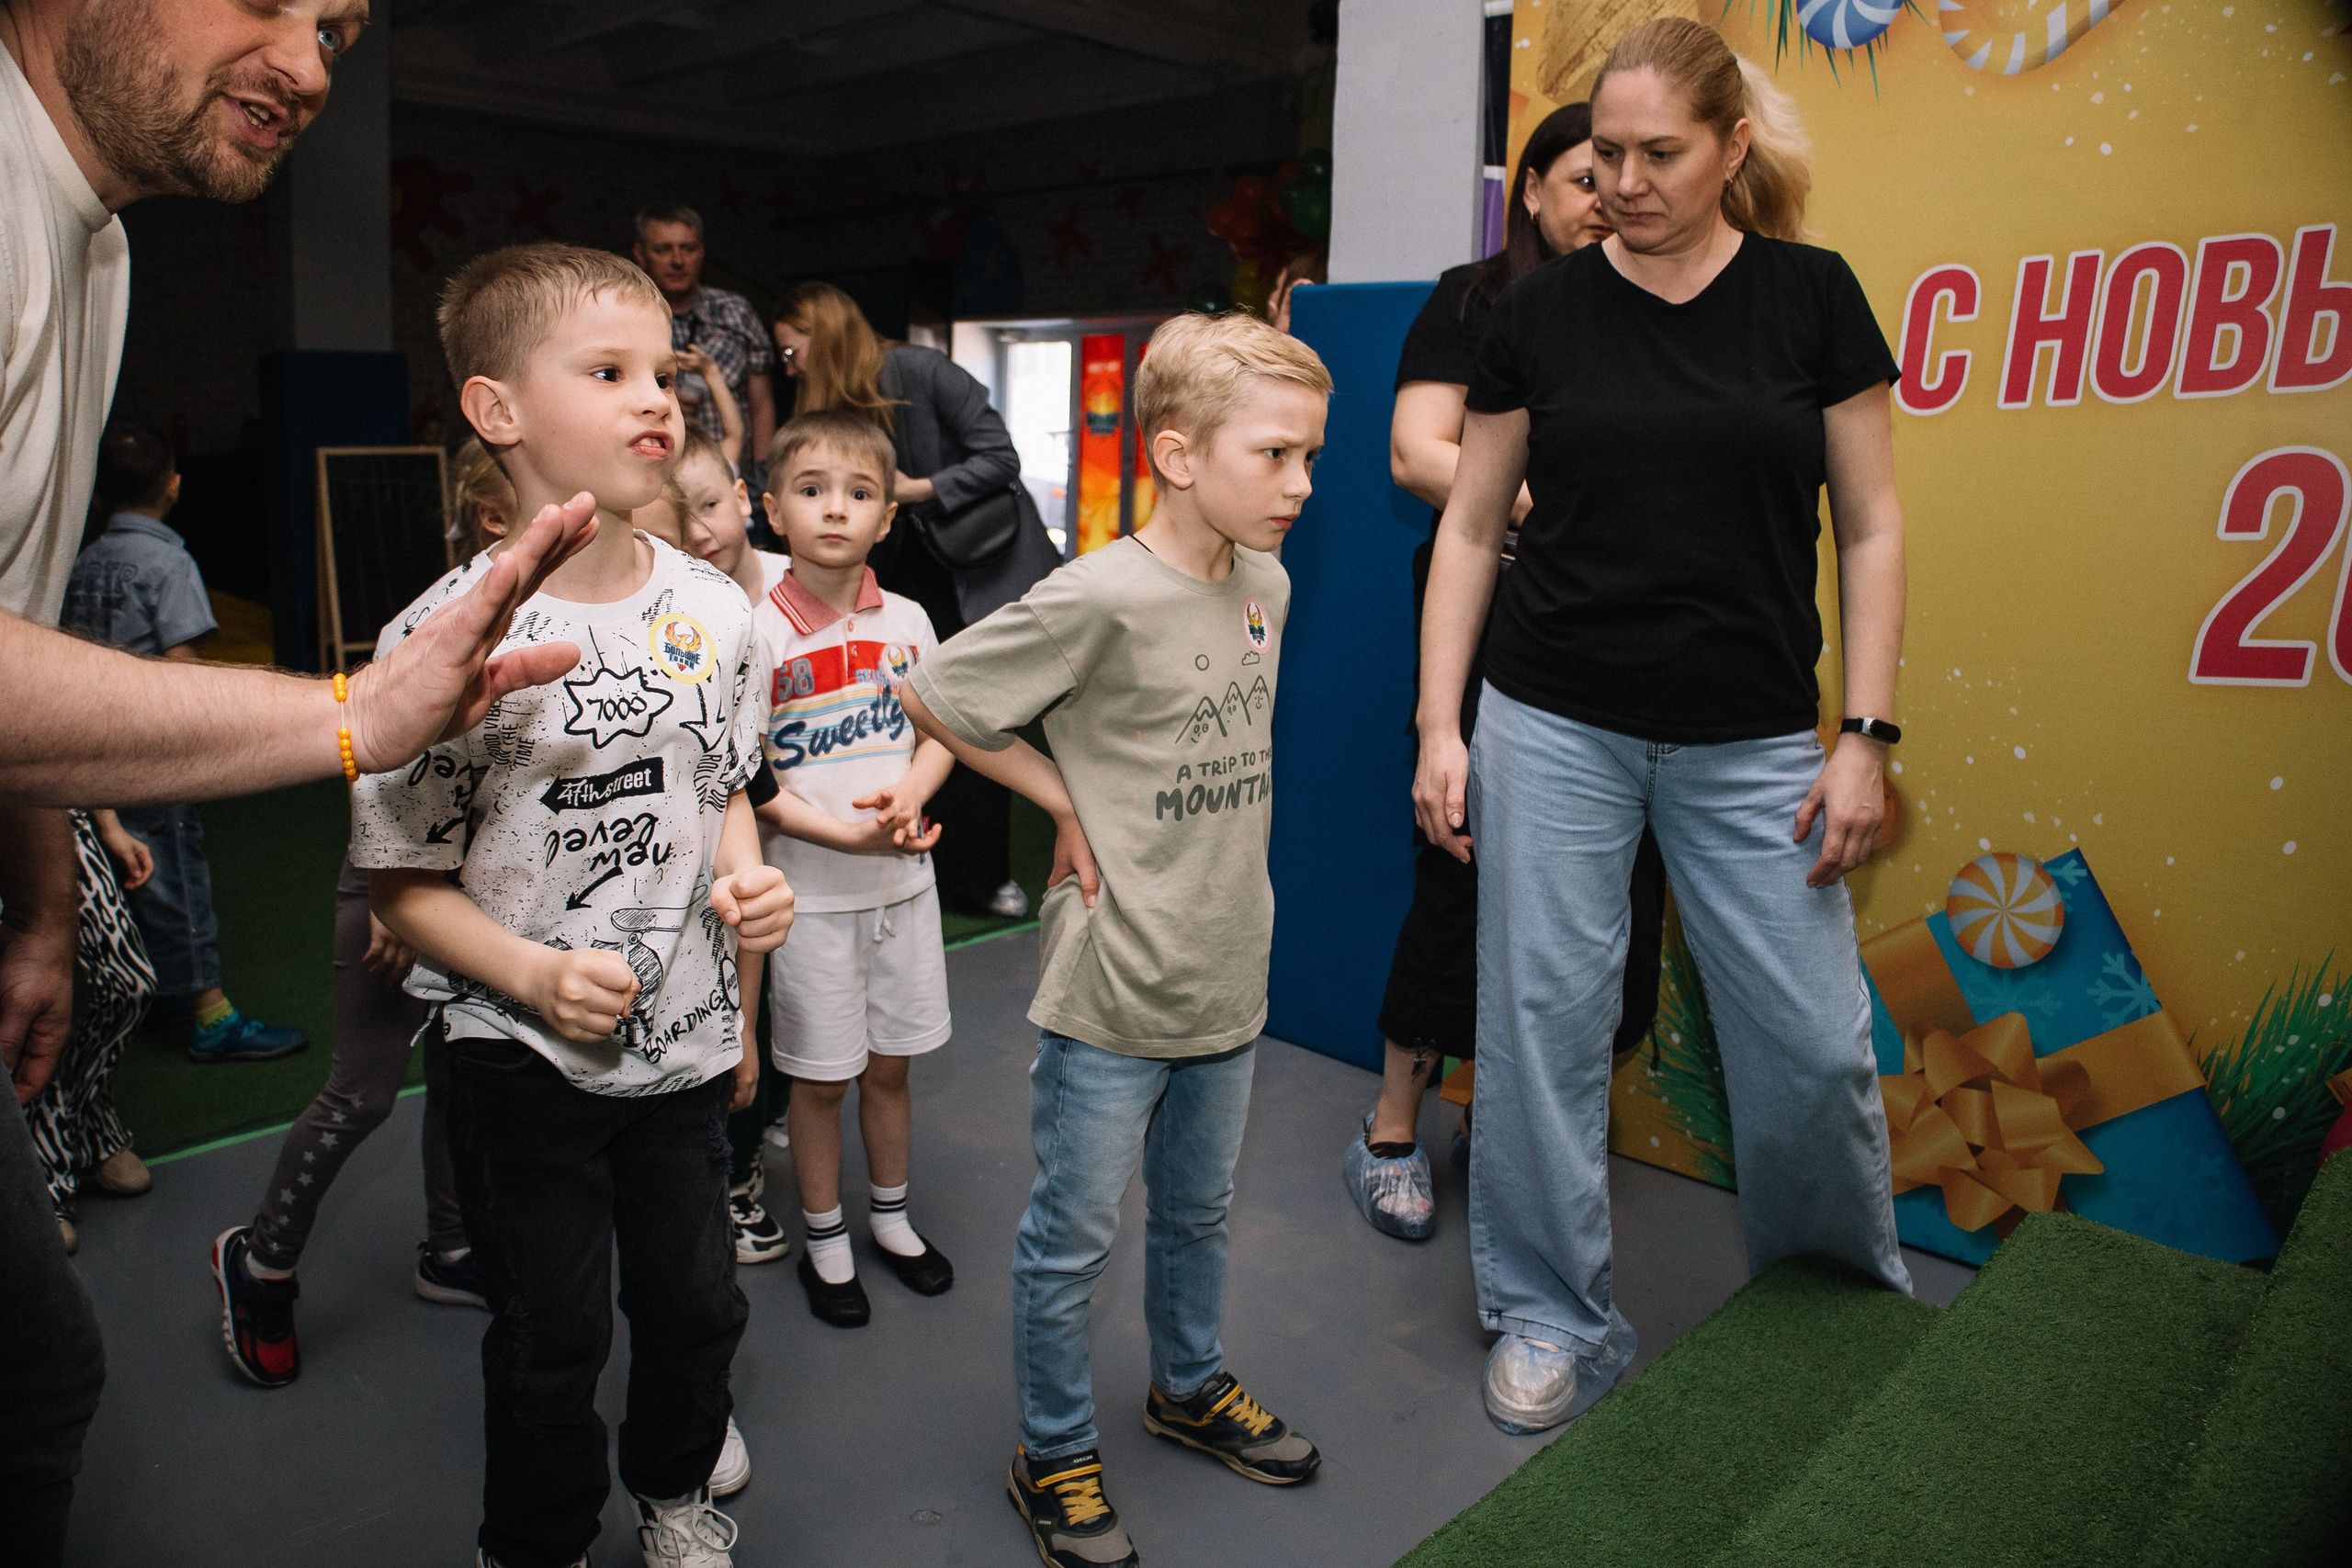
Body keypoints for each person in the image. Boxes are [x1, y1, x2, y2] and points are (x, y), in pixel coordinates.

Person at [1413, 16, 1914, 1438]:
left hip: (1757, 735)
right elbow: (1465, 528)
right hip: (1555, 715)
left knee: (1814, 1041)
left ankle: (1829, 1298)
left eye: (1656, 154)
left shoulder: (1812, 298)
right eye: (1601, 156)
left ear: (1732, 147)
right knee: (1541, 1027)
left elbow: (1871, 525)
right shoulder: (1540, 313)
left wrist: (1865, 731)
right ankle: (1547, 1312)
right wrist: (1438, 723)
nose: (1618, 181)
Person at [333, 243, 790, 1568]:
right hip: (519, 1057)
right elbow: (405, 890)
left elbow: (725, 789)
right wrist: (529, 977)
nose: (659, 398)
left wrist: (742, 873)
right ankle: (533, 1539)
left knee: (697, 1303)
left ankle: (674, 1484)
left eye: (665, 371)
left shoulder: (721, 610)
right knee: (551, 1331)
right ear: (498, 410)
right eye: (608, 371)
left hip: (687, 1049)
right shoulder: (442, 643)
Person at [900, 312, 1331, 1568]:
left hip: (1226, 964)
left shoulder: (1271, 583)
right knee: (1072, 1239)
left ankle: (1186, 1384)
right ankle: (1053, 1447)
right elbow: (938, 694)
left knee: (1197, 1212)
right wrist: (1056, 797)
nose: (1303, 484)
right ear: (1182, 454)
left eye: (1312, 456)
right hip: (1112, 981)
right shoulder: (1096, 591)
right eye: (1278, 455)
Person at [1345, 102, 1669, 1242]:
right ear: (1528, 189)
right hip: (1495, 616)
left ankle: (1504, 1117)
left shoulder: (1651, 303)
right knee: (1462, 871)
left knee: (1602, 895)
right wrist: (1540, 502)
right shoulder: (1476, 300)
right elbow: (1415, 448)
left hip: (1623, 634)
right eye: (1586, 174)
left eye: (1630, 170)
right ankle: (1391, 1127)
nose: (1609, 195)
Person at [203, 442, 536, 1392]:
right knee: (366, 1086)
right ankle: (260, 1263)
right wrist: (402, 891)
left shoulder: (569, 614)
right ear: (493, 520)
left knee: (462, 1068)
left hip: (490, 884)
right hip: (402, 881)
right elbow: (380, 765)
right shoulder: (431, 622)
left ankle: (449, 1247)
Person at [751, 410, 958, 1327]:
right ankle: (826, 1238)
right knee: (819, 1078)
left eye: (860, 493)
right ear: (773, 511)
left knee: (889, 1071)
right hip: (809, 900)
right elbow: (748, 779)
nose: (835, 510)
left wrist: (911, 795)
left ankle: (892, 1219)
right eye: (811, 490)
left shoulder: (910, 619)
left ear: (886, 518)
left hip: (901, 892)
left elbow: (945, 729)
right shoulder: (755, 632)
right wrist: (839, 839)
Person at [772, 281, 1058, 922]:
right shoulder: (829, 404)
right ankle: (934, 852)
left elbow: (1002, 457)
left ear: (824, 335)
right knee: (911, 720)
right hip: (909, 566)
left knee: (970, 712)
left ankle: (983, 876)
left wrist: (915, 486)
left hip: (976, 569)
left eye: (794, 354)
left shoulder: (922, 369)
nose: (791, 369)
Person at [62, 422, 311, 1062]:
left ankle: (159, 991)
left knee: (129, 876)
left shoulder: (83, 562)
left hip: (90, 755)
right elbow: (181, 668)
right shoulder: (167, 561)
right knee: (178, 879)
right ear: (174, 486)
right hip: (153, 755)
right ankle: (210, 1014)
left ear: (96, 497)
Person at [673, 425, 796, 1267]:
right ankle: (735, 1175)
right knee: (736, 1011)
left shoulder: (797, 586)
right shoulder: (681, 610)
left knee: (786, 1017)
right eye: (679, 517)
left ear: (746, 498)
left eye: (713, 504)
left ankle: (760, 1126)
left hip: (814, 840)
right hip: (725, 843)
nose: (702, 529)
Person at [22, 807, 154, 1253]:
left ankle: (92, 1129)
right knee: (31, 1009)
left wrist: (110, 824)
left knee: (130, 985)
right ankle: (45, 1177)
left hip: (61, 815)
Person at [634, 203, 775, 478]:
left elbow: (762, 406)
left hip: (733, 477)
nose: (678, 260)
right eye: (663, 249)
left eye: (687, 248)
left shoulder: (736, 311)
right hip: (657, 480)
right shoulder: (628, 317)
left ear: (701, 252)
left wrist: (763, 476)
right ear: (641, 254)